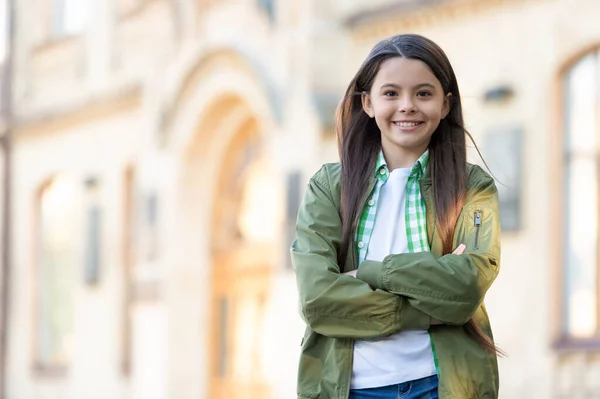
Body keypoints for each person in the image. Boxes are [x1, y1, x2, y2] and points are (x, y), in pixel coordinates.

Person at [291, 34, 502, 399]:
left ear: (446, 104)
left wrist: (372, 272)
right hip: (350, 388)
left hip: (441, 386)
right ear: (368, 103)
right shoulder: (328, 187)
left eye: (423, 93)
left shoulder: (472, 186)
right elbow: (318, 299)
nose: (407, 106)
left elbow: (466, 287)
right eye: (391, 93)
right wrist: (429, 303)